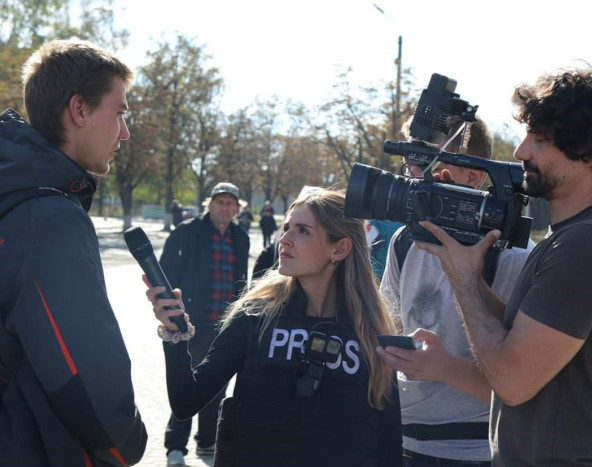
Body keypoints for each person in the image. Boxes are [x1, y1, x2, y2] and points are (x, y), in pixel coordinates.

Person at [380, 67, 592, 465]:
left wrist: (463, 283)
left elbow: (511, 380)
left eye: (539, 139)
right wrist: (469, 273)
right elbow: (517, 336)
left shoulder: (588, 244)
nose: (521, 151)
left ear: (590, 152)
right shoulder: (568, 238)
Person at [146, 188, 402, 466]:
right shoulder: (255, 315)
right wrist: (175, 335)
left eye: (302, 231)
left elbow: (387, 442)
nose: (285, 240)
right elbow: (186, 401)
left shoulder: (372, 332)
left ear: (339, 248)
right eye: (286, 228)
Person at [0, 40, 147, 465]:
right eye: (119, 112)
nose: (125, 131)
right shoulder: (48, 217)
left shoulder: (15, 195)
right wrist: (128, 442)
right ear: (78, 110)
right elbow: (81, 375)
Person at [379, 114, 535, 466]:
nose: (413, 177)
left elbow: (524, 387)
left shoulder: (513, 259)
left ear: (474, 175)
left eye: (429, 164)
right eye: (409, 163)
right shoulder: (403, 243)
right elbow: (389, 333)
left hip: (477, 452)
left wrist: (445, 367)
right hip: (400, 440)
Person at [159, 181, 249, 465]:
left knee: (218, 386)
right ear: (209, 204)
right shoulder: (188, 232)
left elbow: (241, 281)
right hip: (190, 322)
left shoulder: (240, 237)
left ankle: (207, 440)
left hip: (224, 325)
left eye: (230, 203)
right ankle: (175, 447)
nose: (224, 207)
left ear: (237, 209)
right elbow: (164, 273)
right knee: (186, 382)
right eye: (219, 202)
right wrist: (172, 315)